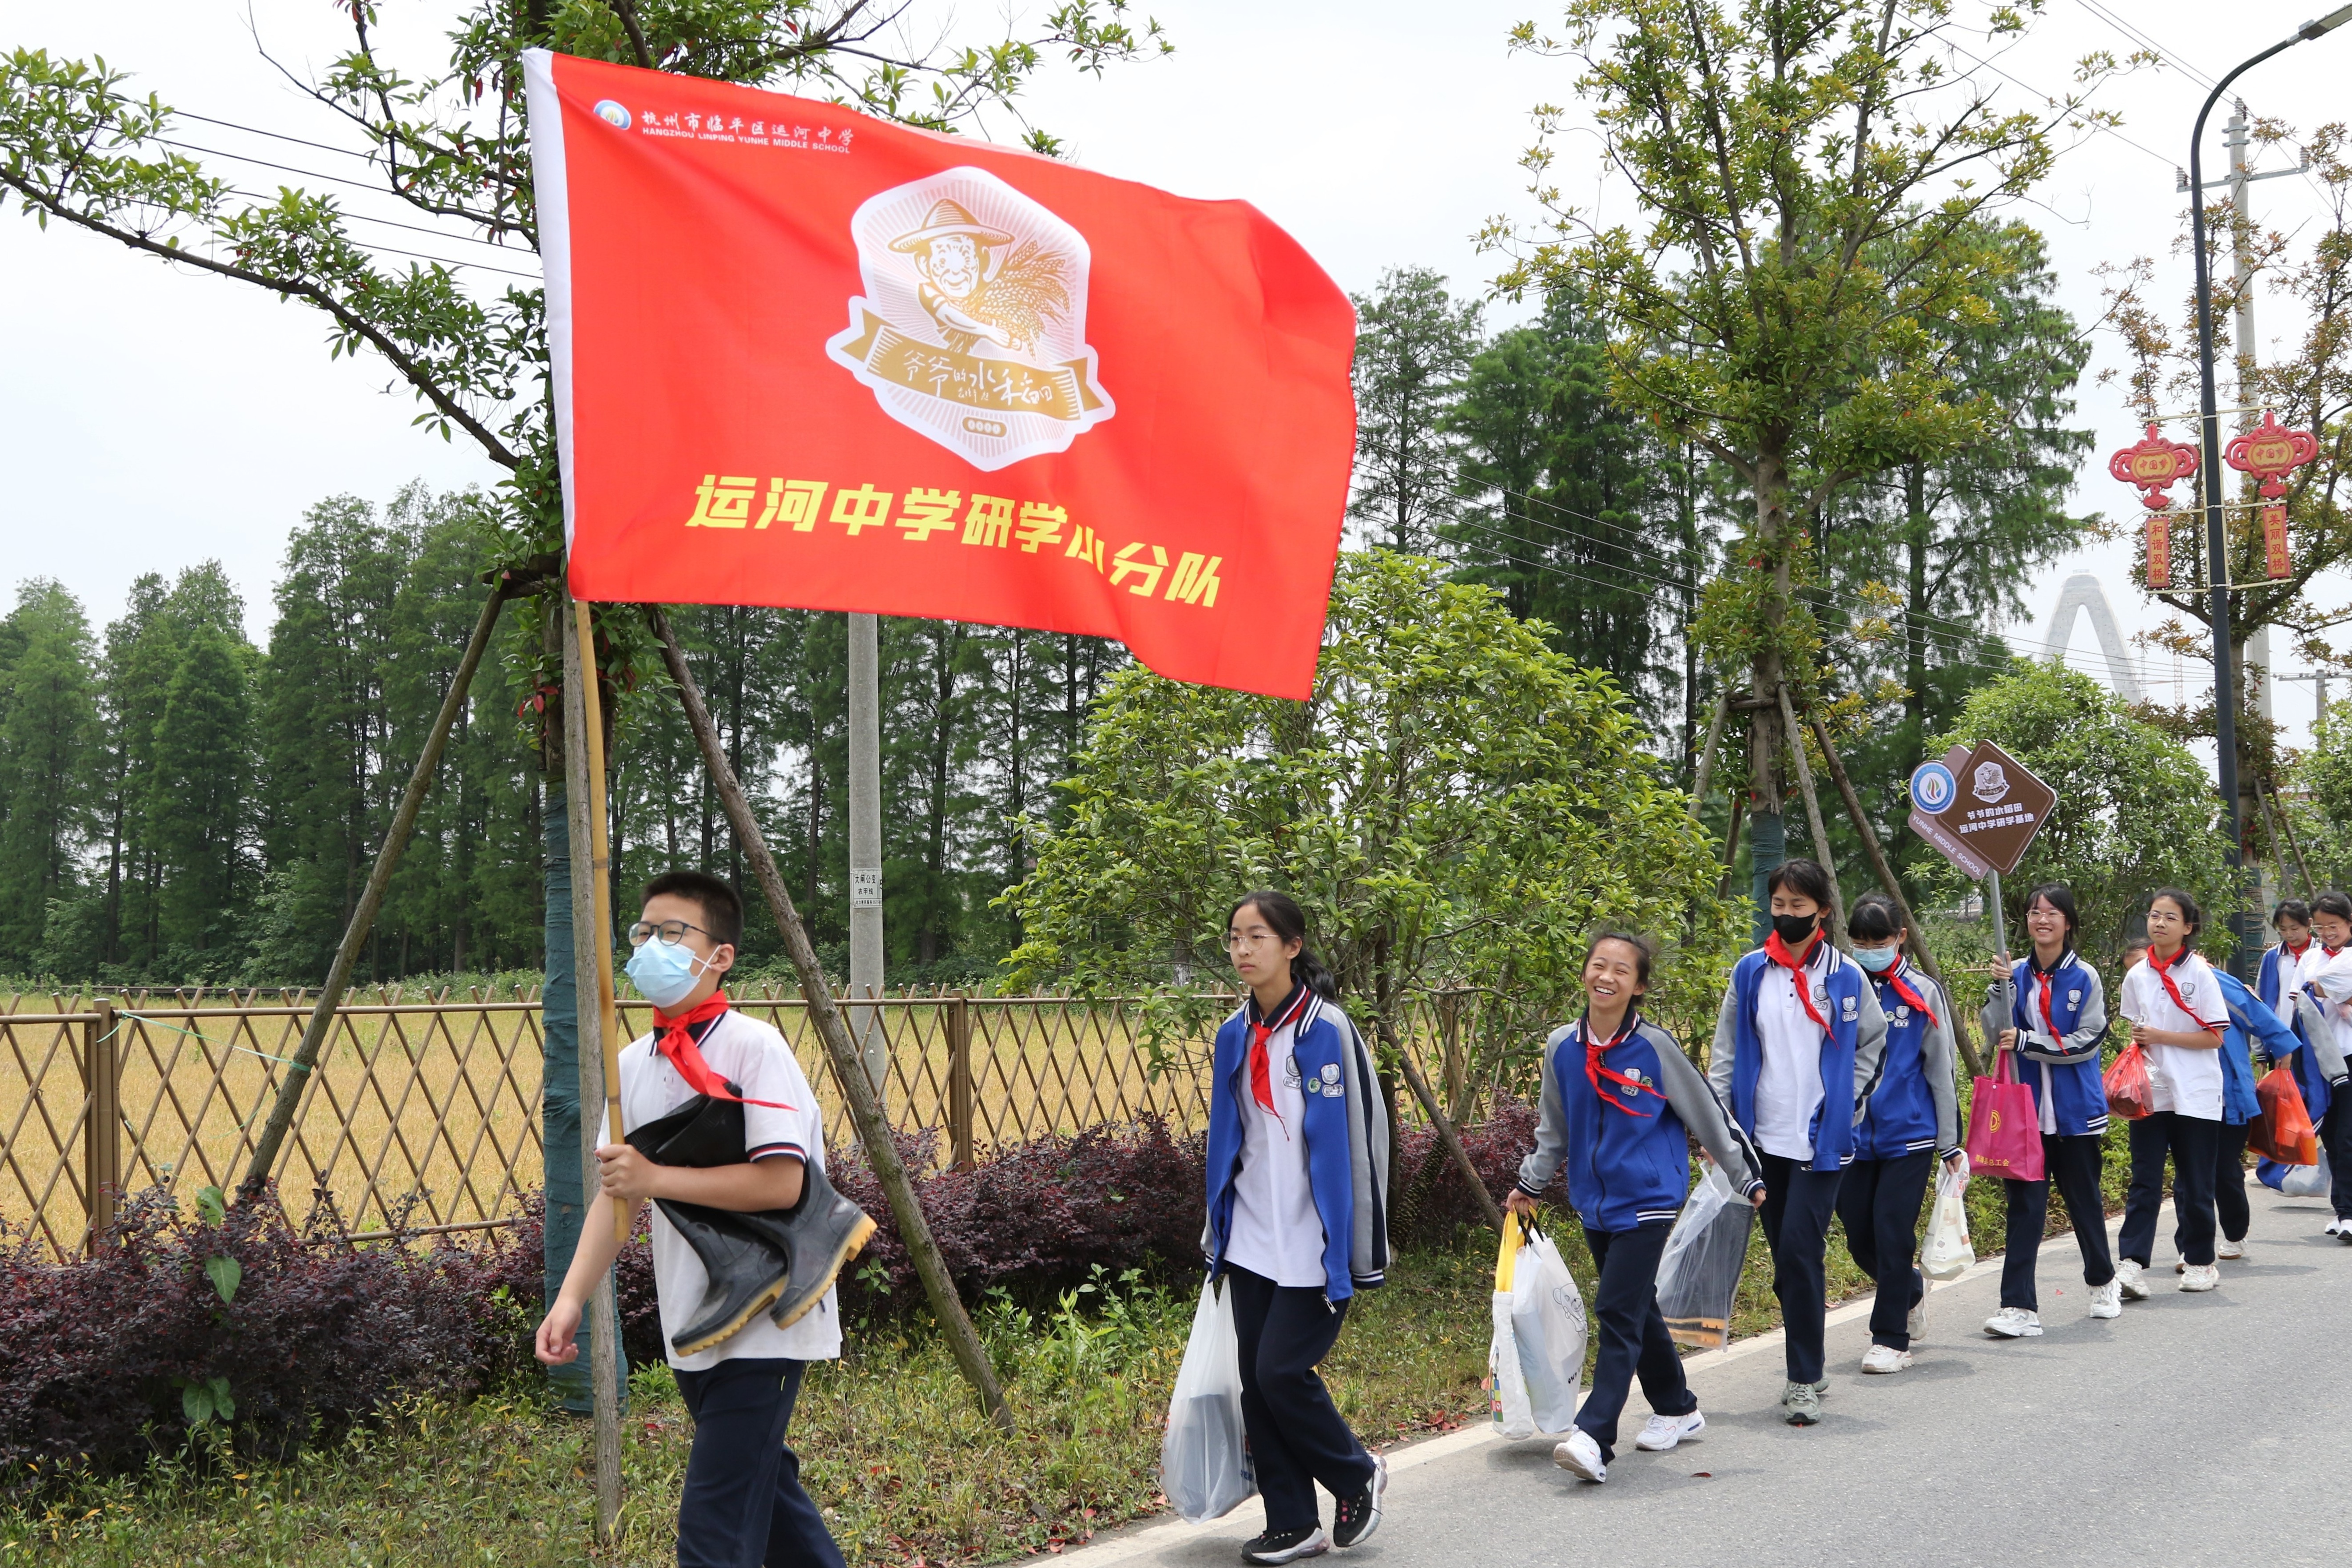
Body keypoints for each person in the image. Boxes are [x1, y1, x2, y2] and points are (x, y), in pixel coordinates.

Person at [536, 870, 847, 1568]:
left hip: (768, 1313)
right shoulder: (632, 1066)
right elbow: (619, 1198)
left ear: (722, 955)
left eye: (674, 933)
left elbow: (781, 1179)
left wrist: (655, 1176)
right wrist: (571, 1298)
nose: (652, 945)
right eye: (644, 932)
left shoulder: (753, 1047)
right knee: (769, 1507)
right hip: (694, 1319)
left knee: (713, 1534)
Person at [1508, 931, 1764, 1484]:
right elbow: (1553, 1128)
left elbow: (1707, 1115)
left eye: (1621, 970)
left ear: (1638, 986)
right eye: (1598, 965)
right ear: (1584, 973)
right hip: (1594, 1203)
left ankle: (1594, 1436)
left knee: (1616, 1312)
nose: (1606, 976)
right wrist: (1530, 1182)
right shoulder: (1562, 1047)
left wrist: (1747, 1179)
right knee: (1637, 1308)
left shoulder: (1654, 1048)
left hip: (1650, 1199)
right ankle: (1678, 1407)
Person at [1202, 891, 1393, 1565]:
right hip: (1252, 1235)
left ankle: (1354, 1472)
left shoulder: (1328, 1029)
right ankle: (1292, 1520)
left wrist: (1360, 1246)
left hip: (1315, 1241)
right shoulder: (1234, 1033)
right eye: (1234, 938)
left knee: (1282, 1369)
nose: (1243, 949)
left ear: (1292, 945)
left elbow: (1365, 1142)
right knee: (1257, 1382)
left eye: (1257, 936)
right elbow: (1227, 1140)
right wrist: (1215, 1230)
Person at [1707, 859, 1887, 1426]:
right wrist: (1720, 1129)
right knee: (1787, 1264)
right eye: (1778, 906)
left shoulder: (1847, 977)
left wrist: (1845, 1107)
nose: (1786, 917)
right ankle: (1809, 1362)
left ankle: (1803, 1378)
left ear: (1823, 913)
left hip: (1821, 1142)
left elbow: (1872, 1046)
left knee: (1799, 1253)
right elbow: (1724, 1055)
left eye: (1798, 908)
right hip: (1761, 1141)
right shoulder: (1750, 972)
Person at [1980, 882, 2121, 1337]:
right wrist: (1999, 992)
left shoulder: (2086, 978)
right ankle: (2018, 1307)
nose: (2042, 920)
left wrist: (2029, 1042)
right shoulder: (2013, 973)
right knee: (2025, 1209)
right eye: (2034, 912)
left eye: (2052, 913)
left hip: (2074, 1113)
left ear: (2068, 922)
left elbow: (2087, 1041)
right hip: (2024, 1117)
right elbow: (1992, 1032)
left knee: (2084, 1202)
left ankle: (2102, 1281)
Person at [1836, 894, 1963, 1373]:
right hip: (1850, 1135)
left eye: (1880, 940)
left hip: (1908, 1133)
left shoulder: (1923, 991)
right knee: (1857, 1236)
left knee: (1892, 1233)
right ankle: (1909, 1290)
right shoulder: (1840, 988)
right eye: (1861, 942)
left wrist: (1950, 1143)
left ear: (1901, 938)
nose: (1870, 949)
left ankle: (1890, 1339)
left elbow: (1941, 1069)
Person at [2114, 888, 2230, 1296]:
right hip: (2150, 1092)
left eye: (2169, 917)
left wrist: (2161, 1035)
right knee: (2144, 1180)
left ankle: (2200, 1261)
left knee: (2196, 1180)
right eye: (2154, 915)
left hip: (2196, 1093)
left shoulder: (2199, 972)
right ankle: (2130, 1264)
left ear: (2188, 927)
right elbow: (2135, 1027)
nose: (2159, 923)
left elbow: (2215, 1037)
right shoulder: (2137, 974)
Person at [2207, 967, 2299, 1264]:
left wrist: (2282, 1044)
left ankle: (2234, 1232)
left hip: (2227, 1090)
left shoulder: (2210, 978)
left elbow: (2251, 1009)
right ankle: (2192, 1245)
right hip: (2180, 1096)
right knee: (2190, 1171)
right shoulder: (2147, 981)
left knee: (2224, 1168)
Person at [2289, 891, 2352, 1239]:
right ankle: (2342, 1209)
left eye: (2335, 925)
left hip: (2349, 1053)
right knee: (2329, 1135)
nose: (2328, 931)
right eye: (2323, 925)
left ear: (2349, 923)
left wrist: (2333, 992)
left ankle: (2348, 1211)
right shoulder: (2311, 958)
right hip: (2318, 1059)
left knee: (2347, 1136)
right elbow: (2298, 1005)